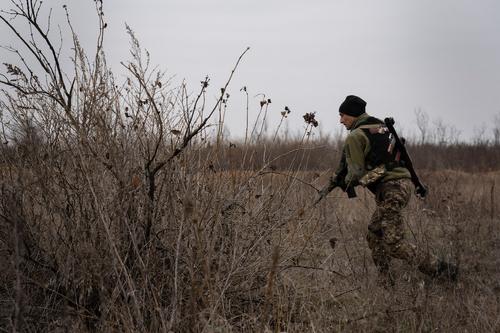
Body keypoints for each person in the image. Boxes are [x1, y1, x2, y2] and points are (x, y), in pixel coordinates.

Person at [321, 95, 458, 284]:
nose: (340, 120)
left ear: (352, 114)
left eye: (343, 115)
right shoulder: (380, 127)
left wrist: (343, 182)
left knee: (394, 243)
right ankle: (386, 282)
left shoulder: (356, 136)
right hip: (401, 186)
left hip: (391, 189)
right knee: (374, 234)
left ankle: (443, 270)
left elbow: (356, 173)